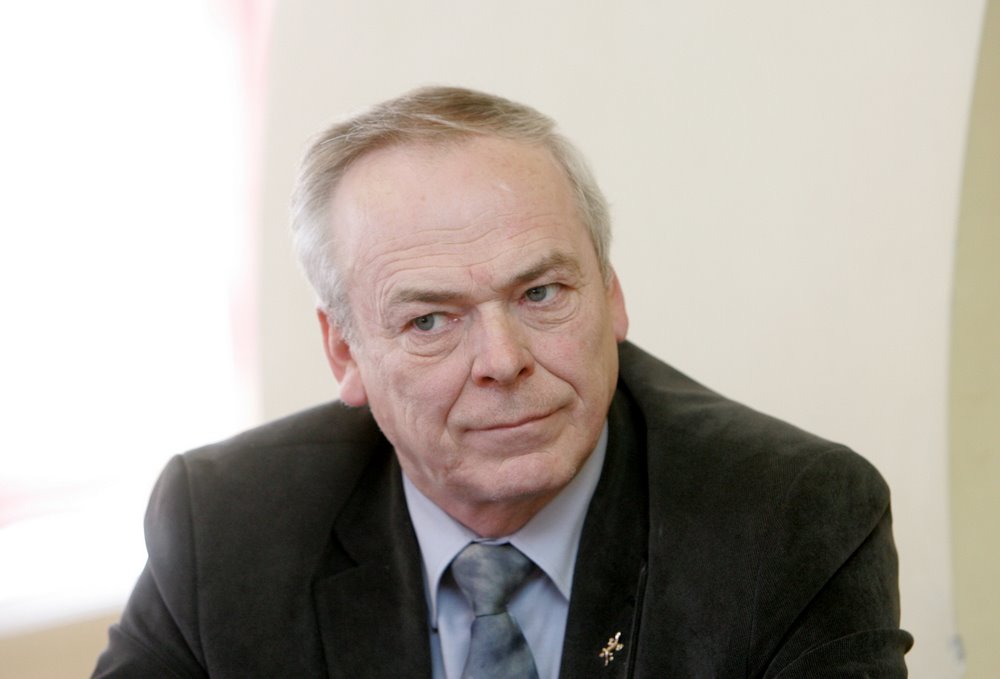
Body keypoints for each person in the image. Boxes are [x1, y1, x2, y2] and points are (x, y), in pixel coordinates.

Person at [93, 86, 913, 678]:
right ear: (344, 352)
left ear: (613, 295)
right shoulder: (224, 523)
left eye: (541, 293)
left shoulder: (790, 516)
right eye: (430, 320)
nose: (502, 358)